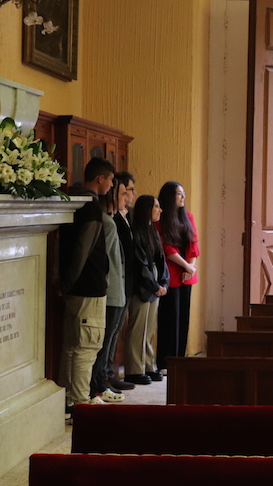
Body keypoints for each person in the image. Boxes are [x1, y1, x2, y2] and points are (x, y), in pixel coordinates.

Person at [55, 157, 115, 414]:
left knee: (72, 345)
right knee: (87, 346)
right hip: (88, 286)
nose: (111, 186)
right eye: (110, 180)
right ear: (100, 179)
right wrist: (69, 280)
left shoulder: (71, 200)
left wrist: (63, 282)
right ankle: (80, 403)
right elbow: (83, 249)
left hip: (73, 287)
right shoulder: (91, 207)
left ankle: (68, 401)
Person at [88, 182, 127, 403]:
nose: (126, 197)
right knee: (101, 344)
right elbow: (106, 260)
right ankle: (97, 385)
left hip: (116, 290)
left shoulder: (111, 221)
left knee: (109, 341)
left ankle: (100, 383)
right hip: (110, 291)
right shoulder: (106, 222)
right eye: (122, 193)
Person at [125, 195, 169, 384]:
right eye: (156, 207)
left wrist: (164, 283)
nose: (160, 210)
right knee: (138, 329)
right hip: (142, 286)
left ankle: (149, 365)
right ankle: (134, 369)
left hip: (155, 284)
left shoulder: (153, 231)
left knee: (150, 329)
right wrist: (154, 285)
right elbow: (140, 263)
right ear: (146, 209)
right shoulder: (136, 231)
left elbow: (161, 260)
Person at [156, 181, 200, 373]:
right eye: (178, 194)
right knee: (169, 319)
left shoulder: (188, 217)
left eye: (183, 193)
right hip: (171, 273)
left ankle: (180, 360)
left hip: (186, 274)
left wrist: (191, 267)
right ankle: (166, 362)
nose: (183, 197)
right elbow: (167, 248)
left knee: (183, 318)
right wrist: (187, 266)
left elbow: (194, 244)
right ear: (169, 197)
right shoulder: (161, 219)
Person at [107, 171, 137, 392]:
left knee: (116, 331)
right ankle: (105, 375)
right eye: (126, 191)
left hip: (126, 282)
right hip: (116, 282)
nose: (129, 196)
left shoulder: (127, 216)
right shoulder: (113, 219)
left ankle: (109, 373)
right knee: (109, 333)